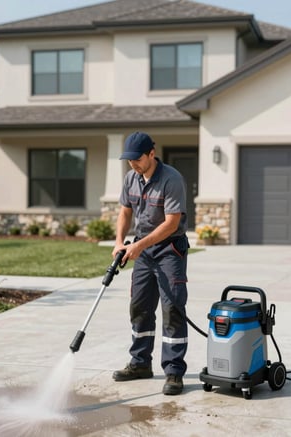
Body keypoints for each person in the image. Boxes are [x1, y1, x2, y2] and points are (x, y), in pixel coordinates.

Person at [112, 131, 189, 396]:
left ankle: (174, 371)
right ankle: (140, 363)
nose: (133, 164)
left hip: (169, 250)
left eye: (137, 159)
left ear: (151, 154)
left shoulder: (171, 179)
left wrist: (138, 245)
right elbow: (125, 211)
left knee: (173, 309)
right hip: (142, 250)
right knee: (140, 307)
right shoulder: (130, 178)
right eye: (129, 160)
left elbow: (171, 223)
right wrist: (120, 242)